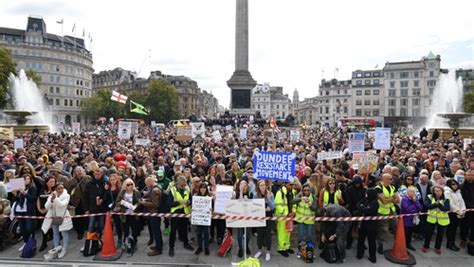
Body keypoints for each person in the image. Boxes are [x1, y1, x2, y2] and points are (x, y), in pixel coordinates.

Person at [41, 183, 73, 259]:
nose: (60, 190)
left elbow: (62, 205)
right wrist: (51, 200)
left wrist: (55, 199)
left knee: (64, 233)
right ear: (55, 189)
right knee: (55, 233)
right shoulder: (51, 195)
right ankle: (56, 248)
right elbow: (46, 206)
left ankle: (64, 248)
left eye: (61, 188)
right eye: (58, 188)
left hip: (63, 217)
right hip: (54, 217)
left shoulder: (66, 196)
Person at [168, 175, 194, 257]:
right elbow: (169, 204)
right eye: (182, 185)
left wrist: (188, 202)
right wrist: (179, 202)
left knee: (184, 229)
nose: (183, 187)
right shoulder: (172, 190)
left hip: (185, 212)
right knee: (173, 231)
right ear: (177, 183)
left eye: (185, 185)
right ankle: (171, 247)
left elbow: (190, 199)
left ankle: (186, 243)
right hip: (175, 213)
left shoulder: (187, 189)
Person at [375, 173, 399, 254]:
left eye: (391, 179)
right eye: (389, 179)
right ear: (384, 179)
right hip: (382, 211)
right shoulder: (378, 188)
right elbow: (384, 201)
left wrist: (389, 199)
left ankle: (398, 244)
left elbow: (398, 200)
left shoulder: (392, 187)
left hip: (392, 210)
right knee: (381, 229)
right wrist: (392, 198)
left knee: (396, 226)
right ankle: (380, 245)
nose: (391, 180)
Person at [12, 174, 37, 252]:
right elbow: (17, 199)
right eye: (24, 179)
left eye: (28, 179)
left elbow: (32, 199)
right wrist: (15, 194)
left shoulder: (32, 188)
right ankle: (26, 242)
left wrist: (25, 193)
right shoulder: (19, 188)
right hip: (19, 210)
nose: (26, 181)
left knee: (29, 228)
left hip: (28, 211)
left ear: (30, 180)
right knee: (22, 229)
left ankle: (32, 241)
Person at [114, 178, 141, 251]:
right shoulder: (122, 192)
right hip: (124, 215)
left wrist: (135, 206)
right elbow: (117, 202)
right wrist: (122, 202)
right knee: (125, 230)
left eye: (131, 184)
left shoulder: (136, 192)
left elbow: (139, 202)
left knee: (134, 230)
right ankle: (126, 243)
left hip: (133, 214)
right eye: (128, 184)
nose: (130, 186)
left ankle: (134, 243)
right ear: (125, 185)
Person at [140, 176, 164, 256]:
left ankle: (159, 249)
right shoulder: (156, 187)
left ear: (150, 183)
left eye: (147, 184)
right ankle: (158, 245)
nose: (146, 186)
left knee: (156, 231)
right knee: (157, 231)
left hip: (154, 213)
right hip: (154, 213)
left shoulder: (154, 190)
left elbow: (155, 204)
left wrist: (144, 203)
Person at [423, 185, 450, 254]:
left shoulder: (446, 198)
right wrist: (435, 204)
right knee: (428, 233)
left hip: (442, 220)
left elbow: (446, 208)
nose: (437, 192)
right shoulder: (429, 197)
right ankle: (426, 246)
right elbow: (427, 206)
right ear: (433, 191)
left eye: (439, 191)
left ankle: (437, 247)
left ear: (442, 191)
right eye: (436, 191)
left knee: (440, 235)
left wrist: (439, 205)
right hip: (432, 218)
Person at [356, 188, 379, 263]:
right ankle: (360, 254)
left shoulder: (375, 203)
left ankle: (372, 257)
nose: (366, 195)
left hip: (371, 225)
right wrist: (363, 206)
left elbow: (367, 210)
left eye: (367, 193)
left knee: (371, 241)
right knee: (361, 239)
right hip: (363, 224)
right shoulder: (366, 199)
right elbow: (358, 204)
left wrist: (362, 207)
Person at [253, 180, 274, 262]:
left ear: (266, 186)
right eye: (261, 185)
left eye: (264, 185)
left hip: (268, 217)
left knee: (268, 235)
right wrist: (265, 209)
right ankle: (259, 250)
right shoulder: (255, 195)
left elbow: (272, 207)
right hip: (260, 217)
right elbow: (254, 207)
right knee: (260, 234)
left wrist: (268, 199)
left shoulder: (270, 194)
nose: (262, 187)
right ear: (258, 186)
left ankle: (268, 251)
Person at [274, 178, 295, 257]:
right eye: (290, 184)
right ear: (285, 184)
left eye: (292, 184)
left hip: (289, 216)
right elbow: (277, 204)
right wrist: (285, 213)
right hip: (282, 216)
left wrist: (293, 211)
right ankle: (281, 248)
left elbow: (294, 203)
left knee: (288, 232)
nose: (292, 186)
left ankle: (286, 247)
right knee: (282, 233)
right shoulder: (280, 193)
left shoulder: (292, 192)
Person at [293, 184, 318, 251]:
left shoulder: (313, 196)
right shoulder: (300, 195)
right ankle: (300, 250)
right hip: (301, 219)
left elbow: (315, 208)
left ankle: (308, 249)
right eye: (305, 190)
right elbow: (293, 201)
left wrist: (309, 203)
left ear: (310, 190)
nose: (306, 192)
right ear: (302, 190)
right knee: (300, 236)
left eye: (308, 190)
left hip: (309, 220)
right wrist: (300, 199)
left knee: (309, 236)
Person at [233, 179, 253, 258]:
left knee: (248, 234)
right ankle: (240, 248)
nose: (243, 186)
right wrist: (241, 192)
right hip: (239, 217)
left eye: (245, 185)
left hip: (248, 217)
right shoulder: (237, 194)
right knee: (240, 234)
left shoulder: (250, 194)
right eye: (241, 185)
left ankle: (247, 246)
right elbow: (239, 203)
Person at [444, 179, 465, 251]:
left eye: (456, 184)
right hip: (452, 213)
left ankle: (452, 243)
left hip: (459, 212)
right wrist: (458, 211)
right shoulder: (447, 192)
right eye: (453, 184)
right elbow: (450, 203)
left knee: (455, 229)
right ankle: (450, 243)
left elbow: (462, 201)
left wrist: (463, 209)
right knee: (451, 229)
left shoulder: (458, 192)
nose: (455, 185)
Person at [36, 176, 56, 252]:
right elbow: (38, 199)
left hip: (51, 212)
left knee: (54, 228)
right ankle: (44, 243)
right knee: (44, 228)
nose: (52, 183)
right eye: (51, 182)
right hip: (42, 211)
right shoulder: (42, 190)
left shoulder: (55, 191)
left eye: (53, 182)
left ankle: (56, 241)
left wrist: (46, 210)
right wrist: (39, 209)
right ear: (46, 182)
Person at [400, 186, 422, 251]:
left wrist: (415, 202)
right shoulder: (404, 199)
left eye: (414, 192)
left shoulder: (415, 199)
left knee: (410, 233)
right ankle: (403, 245)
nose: (412, 193)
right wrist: (415, 208)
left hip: (412, 219)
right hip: (405, 219)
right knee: (405, 233)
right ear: (407, 192)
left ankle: (408, 244)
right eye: (411, 191)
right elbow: (408, 209)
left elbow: (420, 207)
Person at [192, 183, 211, 256]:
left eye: (204, 188)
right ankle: (200, 247)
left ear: (206, 189)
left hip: (205, 218)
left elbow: (211, 207)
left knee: (206, 233)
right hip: (198, 218)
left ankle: (206, 247)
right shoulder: (196, 196)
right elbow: (193, 206)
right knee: (199, 233)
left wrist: (210, 209)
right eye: (202, 188)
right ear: (199, 189)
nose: (203, 189)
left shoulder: (208, 197)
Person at [460, 169, 474, 249]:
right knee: (465, 225)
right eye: (468, 175)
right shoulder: (462, 186)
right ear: (465, 176)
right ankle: (463, 239)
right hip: (466, 209)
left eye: (472, 175)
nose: (470, 177)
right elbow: (462, 199)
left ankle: (472, 240)